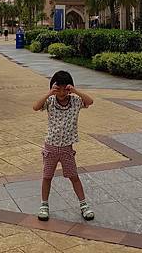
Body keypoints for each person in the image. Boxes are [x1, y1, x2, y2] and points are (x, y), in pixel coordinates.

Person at [33, 70, 94, 222]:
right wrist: (49, 93)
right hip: (51, 147)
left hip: (67, 148)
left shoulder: (75, 101)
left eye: (64, 89)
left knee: (74, 176)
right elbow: (35, 107)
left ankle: (84, 204)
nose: (61, 92)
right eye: (57, 88)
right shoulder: (51, 101)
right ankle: (44, 205)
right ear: (53, 88)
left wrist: (75, 91)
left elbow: (90, 101)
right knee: (47, 177)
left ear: (69, 88)